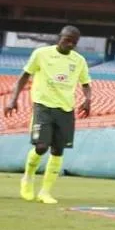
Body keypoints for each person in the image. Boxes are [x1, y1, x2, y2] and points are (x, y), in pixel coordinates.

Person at [4, 26, 91, 204]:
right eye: (67, 38)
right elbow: (24, 76)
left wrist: (88, 99)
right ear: (59, 37)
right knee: (42, 146)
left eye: (74, 41)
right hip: (43, 106)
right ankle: (27, 178)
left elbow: (86, 83)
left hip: (66, 109)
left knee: (58, 151)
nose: (71, 43)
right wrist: (13, 99)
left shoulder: (79, 60)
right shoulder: (41, 54)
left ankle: (45, 192)